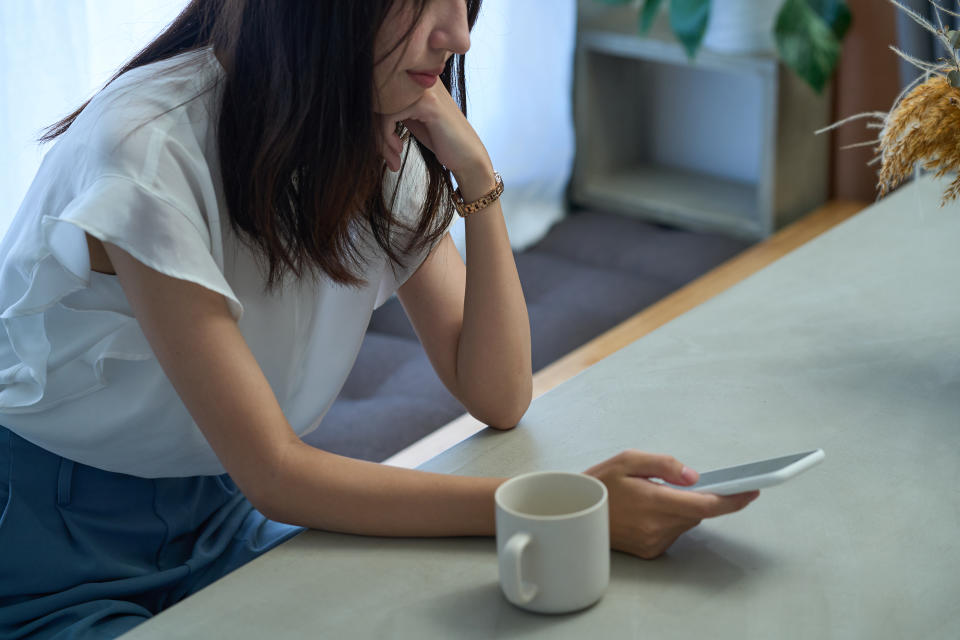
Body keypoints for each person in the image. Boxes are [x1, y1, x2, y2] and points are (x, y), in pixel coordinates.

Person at [0, 1, 759, 637]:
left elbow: (497, 392)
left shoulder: (359, 132)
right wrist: (556, 510)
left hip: (213, 511)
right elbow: (274, 472)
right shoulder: (146, 149)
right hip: (50, 545)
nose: (460, 34)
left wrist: (477, 174)